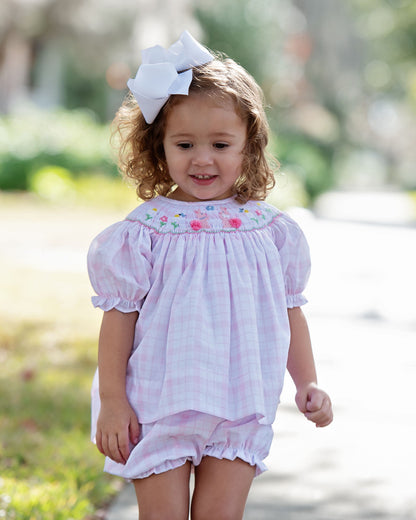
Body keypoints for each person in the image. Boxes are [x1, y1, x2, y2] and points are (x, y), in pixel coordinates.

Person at [87, 30, 333, 520]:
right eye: (185, 143)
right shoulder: (145, 233)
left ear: (249, 145)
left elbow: (290, 310)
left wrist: (307, 381)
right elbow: (119, 320)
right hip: (160, 403)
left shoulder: (271, 230)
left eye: (221, 143)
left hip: (241, 404)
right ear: (160, 146)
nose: (203, 158)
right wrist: (114, 403)